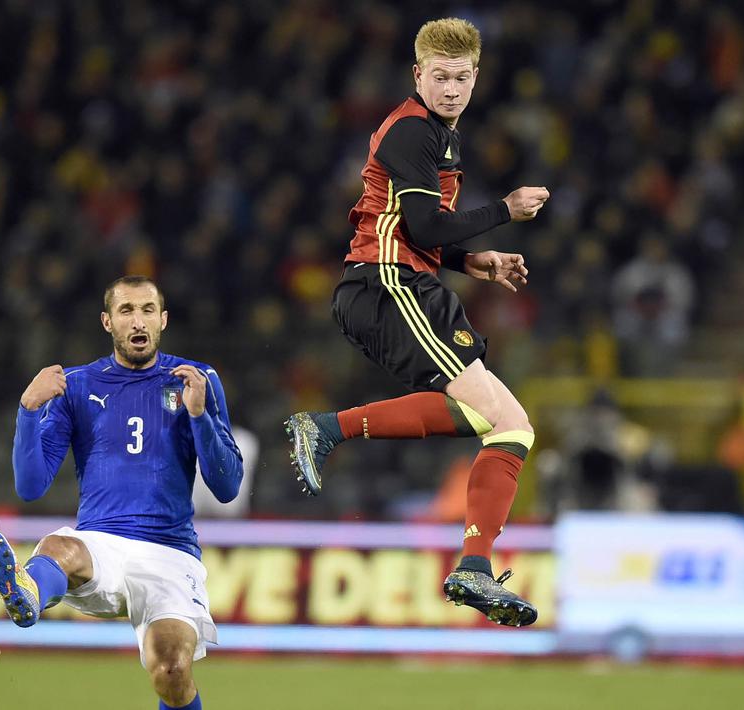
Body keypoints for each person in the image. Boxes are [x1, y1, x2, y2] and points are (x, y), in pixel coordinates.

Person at [284, 17, 547, 627]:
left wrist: (469, 260)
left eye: (461, 78)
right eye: (440, 77)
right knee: (498, 418)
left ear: (476, 78)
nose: (451, 89)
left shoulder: (438, 134)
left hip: (399, 280)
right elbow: (423, 227)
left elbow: (413, 227)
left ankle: (474, 566)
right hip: (387, 284)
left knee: (507, 425)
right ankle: (326, 430)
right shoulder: (412, 131)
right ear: (417, 74)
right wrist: (505, 210)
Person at [0, 275, 242, 710]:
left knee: (172, 669)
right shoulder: (77, 385)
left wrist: (199, 416)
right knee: (59, 546)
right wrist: (27, 410)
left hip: (170, 551)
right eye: (126, 310)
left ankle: (34, 591)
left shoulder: (197, 379)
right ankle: (28, 593)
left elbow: (227, 486)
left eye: (147, 310)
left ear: (163, 319)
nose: (138, 321)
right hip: (102, 544)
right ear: (107, 322)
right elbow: (30, 486)